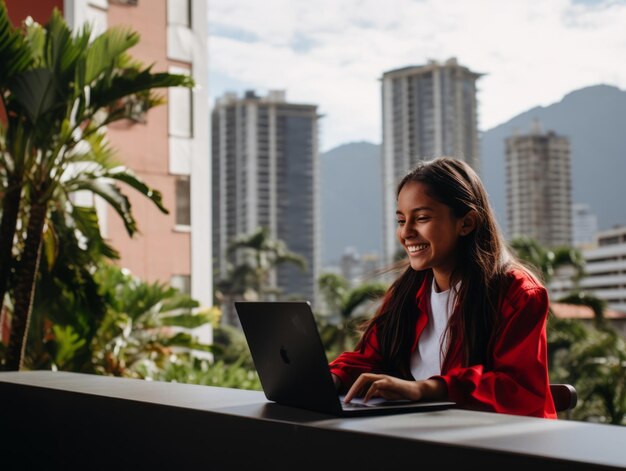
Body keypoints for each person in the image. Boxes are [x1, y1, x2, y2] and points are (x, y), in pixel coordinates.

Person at [329, 157, 557, 419]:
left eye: (422, 218)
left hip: (498, 446)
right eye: (402, 220)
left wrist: (423, 389)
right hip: (426, 437)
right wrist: (333, 377)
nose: (407, 233)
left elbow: (517, 388)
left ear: (467, 223)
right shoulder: (406, 292)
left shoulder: (518, 293)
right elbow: (370, 356)